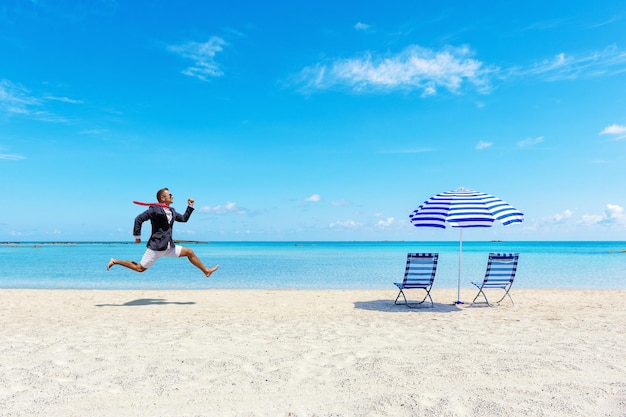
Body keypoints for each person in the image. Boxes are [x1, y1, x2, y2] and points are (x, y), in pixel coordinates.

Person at [107, 187, 219, 277]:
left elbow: (184, 219)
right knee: (139, 268)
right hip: (156, 247)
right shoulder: (154, 210)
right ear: (163, 198)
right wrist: (137, 237)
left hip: (169, 246)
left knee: (189, 252)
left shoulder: (172, 210)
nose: (172, 196)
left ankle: (206, 271)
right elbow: (138, 219)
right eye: (170, 195)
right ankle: (115, 261)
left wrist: (190, 206)